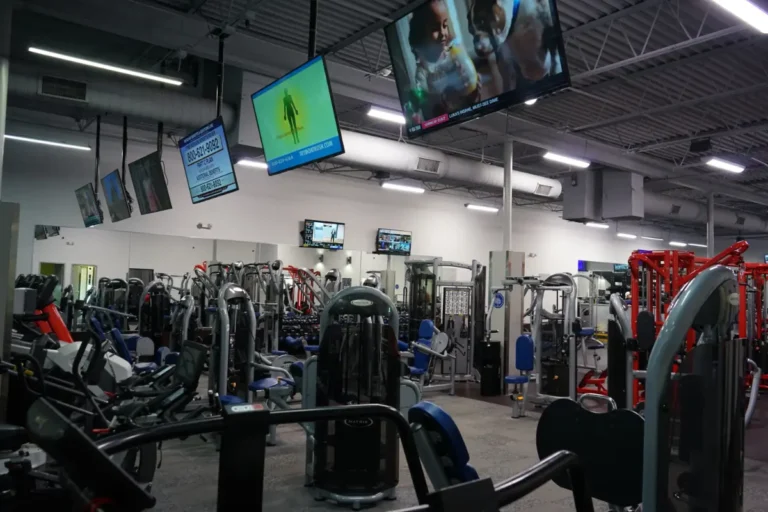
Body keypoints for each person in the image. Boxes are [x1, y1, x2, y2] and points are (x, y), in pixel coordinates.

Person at [407, 0, 480, 120]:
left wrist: (473, 94)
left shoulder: (454, 54)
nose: (443, 33)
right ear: (421, 33)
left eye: (445, 25)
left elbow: (470, 92)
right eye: (435, 28)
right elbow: (429, 108)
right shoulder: (422, 72)